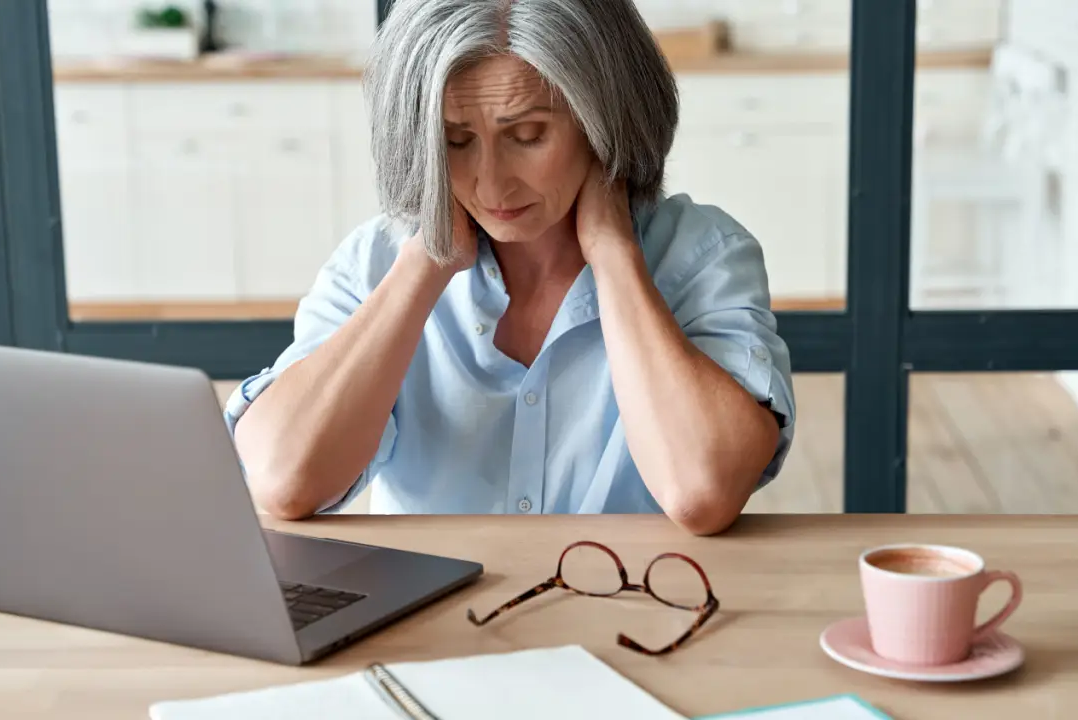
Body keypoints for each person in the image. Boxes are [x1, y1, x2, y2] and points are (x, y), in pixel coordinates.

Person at [225, 0, 795, 536]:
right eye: (455, 141)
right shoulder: (373, 263)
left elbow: (703, 492)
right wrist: (425, 266)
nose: (492, 184)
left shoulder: (701, 254)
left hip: (635, 616)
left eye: (528, 136)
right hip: (435, 629)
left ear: (605, 121)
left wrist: (615, 255)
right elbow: (284, 482)